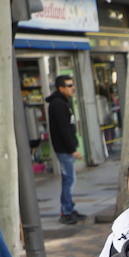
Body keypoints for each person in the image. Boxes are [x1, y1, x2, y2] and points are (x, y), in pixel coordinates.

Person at [46, 75, 84, 224]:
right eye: (69, 85)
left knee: (69, 179)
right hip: (64, 149)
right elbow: (63, 129)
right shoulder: (58, 104)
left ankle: (69, 209)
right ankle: (66, 211)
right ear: (61, 88)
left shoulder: (62, 102)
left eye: (72, 85)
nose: (72, 88)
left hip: (65, 148)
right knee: (69, 180)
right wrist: (71, 149)